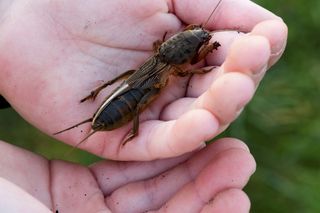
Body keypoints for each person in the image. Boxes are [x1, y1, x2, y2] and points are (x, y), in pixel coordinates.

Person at [0, 0, 287, 212]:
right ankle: (125, 126)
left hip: (131, 87)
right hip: (129, 99)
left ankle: (103, 105)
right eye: (196, 37)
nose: (200, 35)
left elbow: (189, 64)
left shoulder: (162, 55)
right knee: (135, 103)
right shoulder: (178, 67)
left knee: (127, 87)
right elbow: (193, 69)